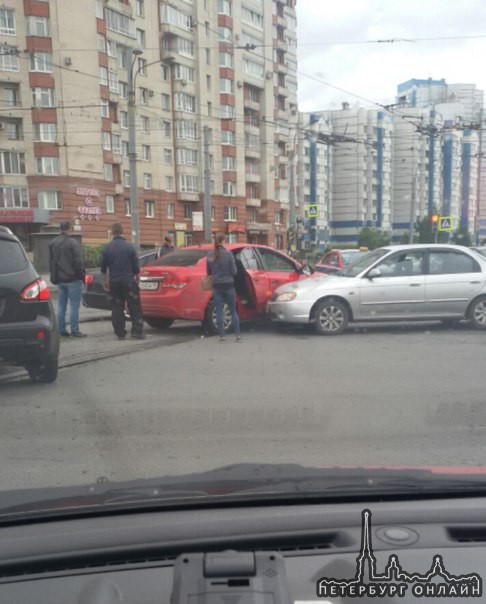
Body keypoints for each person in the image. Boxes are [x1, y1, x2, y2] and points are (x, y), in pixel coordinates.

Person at [100, 223, 145, 340]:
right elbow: (136, 266)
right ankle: (137, 331)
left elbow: (103, 268)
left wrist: (105, 281)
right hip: (128, 281)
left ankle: (120, 332)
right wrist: (137, 277)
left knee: (117, 307)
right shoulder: (129, 247)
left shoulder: (107, 248)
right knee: (134, 306)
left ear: (112, 232)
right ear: (122, 231)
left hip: (114, 282)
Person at [49, 221, 86, 338]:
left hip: (60, 279)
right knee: (74, 306)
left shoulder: (53, 243)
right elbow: (78, 262)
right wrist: (82, 276)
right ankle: (75, 330)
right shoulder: (73, 243)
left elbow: (51, 262)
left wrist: (54, 276)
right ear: (70, 229)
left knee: (61, 306)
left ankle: (61, 330)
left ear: (60, 229)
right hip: (73, 279)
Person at [206, 233, 241, 342]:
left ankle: (222, 336)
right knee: (233, 310)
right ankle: (237, 335)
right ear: (224, 241)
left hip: (216, 286)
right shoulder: (229, 254)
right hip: (229, 285)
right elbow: (234, 271)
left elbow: (209, 271)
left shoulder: (210, 254)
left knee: (219, 310)